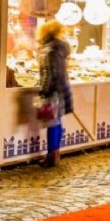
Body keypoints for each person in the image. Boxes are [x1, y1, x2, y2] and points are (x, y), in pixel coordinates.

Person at [36, 19, 73, 168]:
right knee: (57, 122)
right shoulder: (60, 48)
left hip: (52, 91)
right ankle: (55, 155)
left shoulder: (49, 50)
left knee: (52, 123)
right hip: (61, 89)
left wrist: (43, 91)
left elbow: (49, 73)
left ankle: (51, 156)